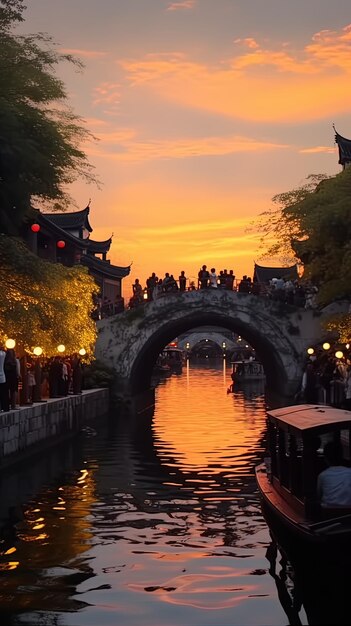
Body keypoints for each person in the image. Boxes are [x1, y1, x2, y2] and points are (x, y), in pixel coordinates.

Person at [317, 441, 351, 509]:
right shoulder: (349, 472)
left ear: (326, 459)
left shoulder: (323, 475)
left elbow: (319, 495)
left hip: (328, 511)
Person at [0, 345, 10, 412]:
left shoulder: (2, 354)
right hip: (3, 375)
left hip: (2, 375)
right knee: (4, 393)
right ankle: (5, 407)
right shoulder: (4, 353)